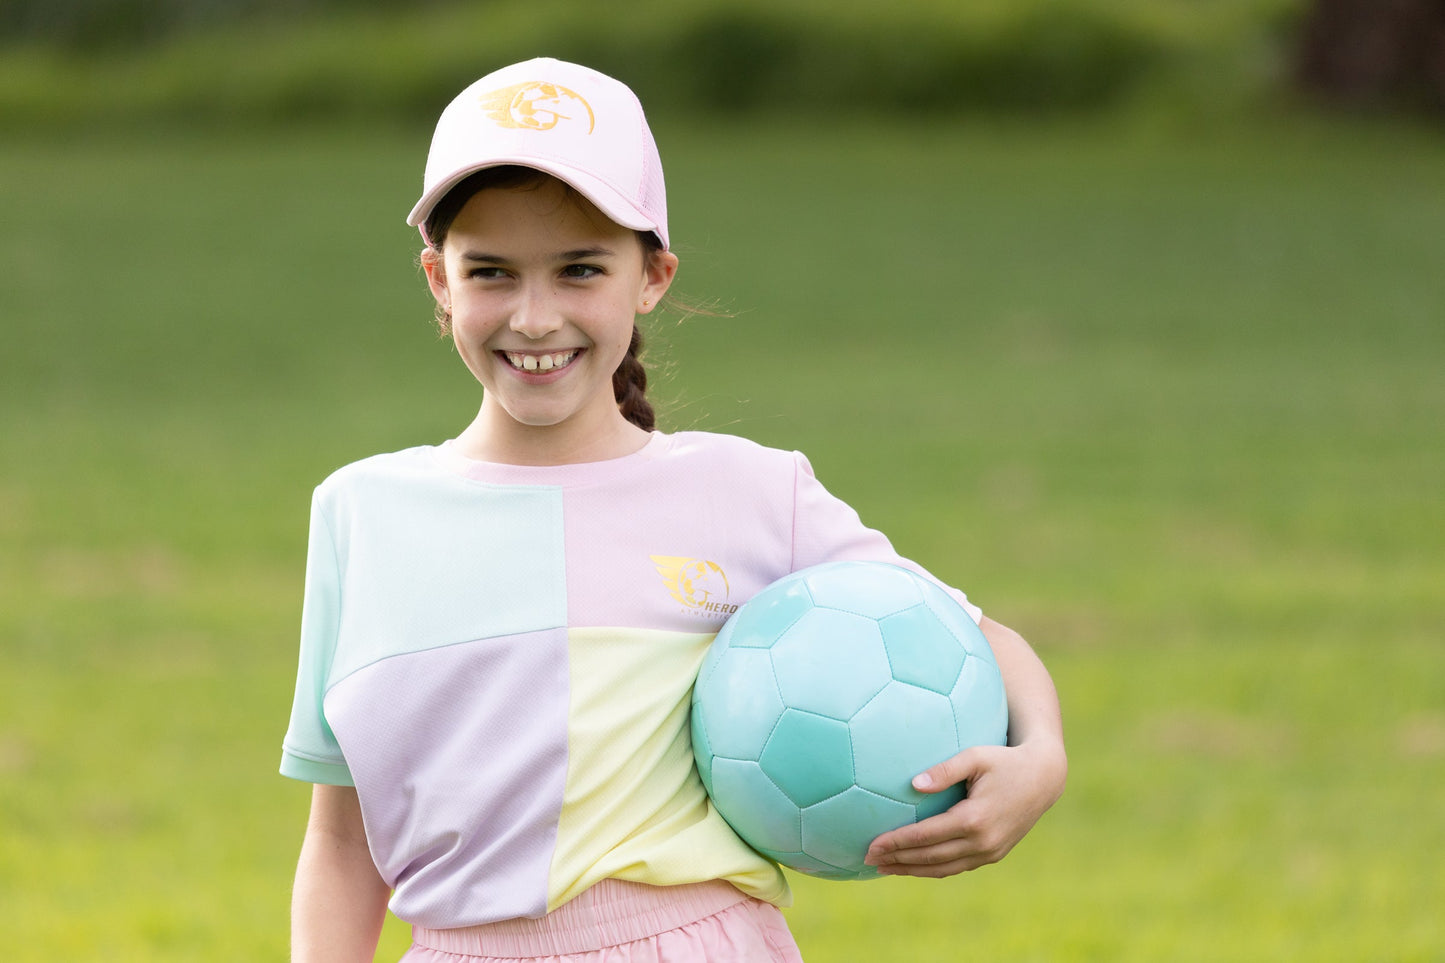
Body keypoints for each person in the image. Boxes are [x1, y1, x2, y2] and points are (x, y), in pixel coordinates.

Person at [281, 57, 1066, 963]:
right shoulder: (362, 514)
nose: (534, 318)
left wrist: (1038, 757)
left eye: (579, 270)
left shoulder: (752, 495)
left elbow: (974, 635)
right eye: (491, 272)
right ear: (437, 280)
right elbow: (342, 841)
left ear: (651, 276)